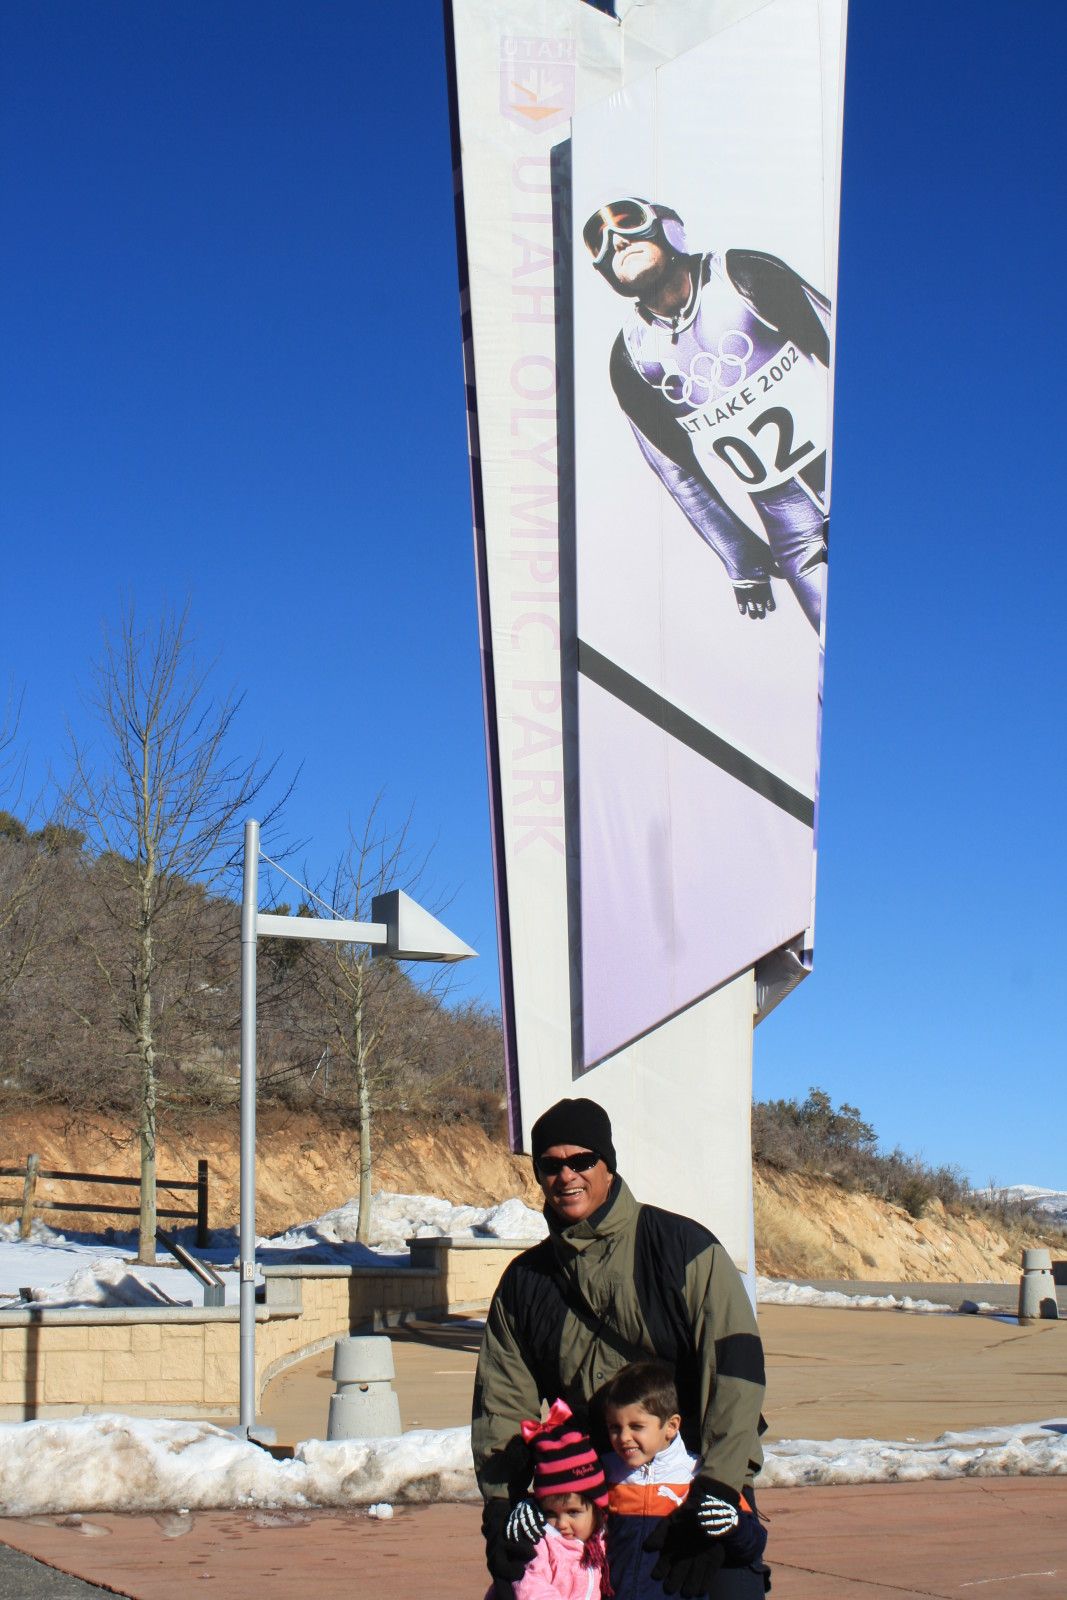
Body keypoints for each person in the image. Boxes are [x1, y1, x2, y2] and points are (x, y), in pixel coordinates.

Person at [474, 1097, 767, 1600]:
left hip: (689, 1485)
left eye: (581, 1161)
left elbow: (735, 1375)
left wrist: (718, 1488)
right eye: (551, 1165)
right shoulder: (524, 1283)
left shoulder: (683, 1249)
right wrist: (505, 1504)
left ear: (608, 1166)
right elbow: (502, 1401)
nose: (567, 1176)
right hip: (585, 1503)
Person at [582, 196, 832, 631]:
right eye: (599, 242)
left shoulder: (742, 275)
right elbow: (676, 471)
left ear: (667, 228)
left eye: (627, 223)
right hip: (795, 535)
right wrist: (740, 558)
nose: (617, 243)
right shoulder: (632, 357)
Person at [601, 1360, 767, 1599]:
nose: (624, 1437)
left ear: (671, 1426)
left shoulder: (697, 1475)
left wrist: (734, 1525)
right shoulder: (606, 1473)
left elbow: (753, 1544)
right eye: (614, 1427)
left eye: (636, 1426)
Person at [486, 1398, 611, 1600]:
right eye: (551, 1513)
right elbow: (531, 1587)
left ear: (597, 1508)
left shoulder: (601, 1543)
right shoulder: (542, 1543)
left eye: (573, 1512)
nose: (561, 1523)